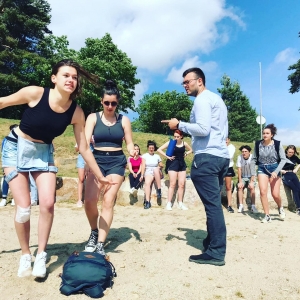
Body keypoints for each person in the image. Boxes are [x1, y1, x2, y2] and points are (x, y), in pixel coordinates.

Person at [0, 59, 115, 278]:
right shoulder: (35, 93)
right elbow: (3, 102)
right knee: (23, 208)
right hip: (16, 148)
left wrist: (99, 175)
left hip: (43, 153)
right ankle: (26, 254)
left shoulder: (76, 112)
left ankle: (41, 254)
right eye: (66, 75)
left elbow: (83, 147)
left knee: (48, 203)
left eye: (74, 77)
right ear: (54, 78)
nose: (71, 80)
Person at [162, 67, 229, 266]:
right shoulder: (217, 100)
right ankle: (211, 243)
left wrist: (179, 124)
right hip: (221, 157)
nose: (185, 85)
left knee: (212, 206)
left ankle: (216, 252)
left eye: (187, 81)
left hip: (207, 158)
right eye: (183, 82)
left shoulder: (201, 100)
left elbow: (203, 129)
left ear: (199, 81)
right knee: (214, 205)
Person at [84, 80, 134, 256]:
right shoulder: (92, 117)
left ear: (117, 102)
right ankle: (93, 231)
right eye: (107, 102)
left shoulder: (124, 120)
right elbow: (85, 139)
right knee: (89, 200)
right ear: (101, 101)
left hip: (116, 161)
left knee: (108, 200)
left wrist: (132, 151)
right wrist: (80, 145)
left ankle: (100, 243)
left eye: (113, 103)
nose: (110, 106)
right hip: (96, 160)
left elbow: (129, 142)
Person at [250, 124, 287, 223]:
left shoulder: (277, 144)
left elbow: (283, 159)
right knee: (263, 192)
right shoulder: (258, 144)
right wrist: (253, 174)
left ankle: (280, 207)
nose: (265, 135)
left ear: (272, 135)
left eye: (267, 133)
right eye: (263, 133)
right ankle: (267, 215)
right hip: (262, 168)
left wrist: (276, 171)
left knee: (275, 194)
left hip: (275, 167)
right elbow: (253, 160)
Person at [157, 129, 193, 211]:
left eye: (178, 136)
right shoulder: (171, 142)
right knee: (172, 184)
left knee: (181, 184)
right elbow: (159, 149)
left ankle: (180, 203)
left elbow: (191, 150)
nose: (176, 138)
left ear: (181, 136)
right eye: (175, 136)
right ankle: (169, 203)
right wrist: (167, 156)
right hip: (172, 163)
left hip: (181, 164)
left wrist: (186, 153)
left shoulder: (184, 143)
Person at [236, 145, 258, 213]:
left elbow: (253, 170)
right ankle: (241, 205)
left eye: (246, 151)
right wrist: (240, 181)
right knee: (240, 187)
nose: (244, 153)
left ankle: (253, 206)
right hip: (243, 176)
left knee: (252, 188)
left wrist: (251, 181)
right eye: (242, 151)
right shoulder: (239, 157)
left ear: (249, 152)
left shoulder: (252, 158)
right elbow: (239, 170)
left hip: (251, 176)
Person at [142, 140, 163, 209]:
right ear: (148, 148)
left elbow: (161, 164)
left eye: (152, 148)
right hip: (148, 171)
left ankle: (159, 190)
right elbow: (143, 166)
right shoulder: (144, 156)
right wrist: (142, 175)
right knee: (147, 183)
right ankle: (147, 201)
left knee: (155, 169)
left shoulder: (157, 156)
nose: (151, 149)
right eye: (150, 148)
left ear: (154, 148)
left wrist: (160, 166)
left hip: (157, 171)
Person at [0, 124, 18, 207]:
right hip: (8, 162)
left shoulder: (21, 140)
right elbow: (3, 152)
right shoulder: (6, 140)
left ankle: (14, 198)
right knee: (6, 179)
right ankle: (4, 199)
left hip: (18, 163)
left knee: (16, 180)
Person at [75, 137, 94, 208]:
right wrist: (81, 144)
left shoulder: (94, 136)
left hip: (91, 157)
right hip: (81, 157)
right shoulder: (81, 136)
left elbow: (98, 148)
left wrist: (92, 142)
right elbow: (76, 149)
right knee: (81, 178)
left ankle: (88, 199)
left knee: (90, 179)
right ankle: (79, 200)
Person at [281, 145, 300, 215]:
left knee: (299, 189)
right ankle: (298, 208)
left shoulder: (295, 157)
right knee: (295, 189)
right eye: (289, 152)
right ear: (286, 151)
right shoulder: (282, 157)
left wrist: (296, 168)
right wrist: (281, 170)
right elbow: (275, 166)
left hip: (293, 174)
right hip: (285, 175)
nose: (291, 154)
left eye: (292, 152)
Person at [224, 136, 236, 213]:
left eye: (226, 139)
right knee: (218, 185)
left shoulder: (232, 147)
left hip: (228, 167)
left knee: (228, 187)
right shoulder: (219, 146)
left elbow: (229, 156)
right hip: (219, 167)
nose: (225, 141)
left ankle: (229, 205)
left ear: (229, 140)